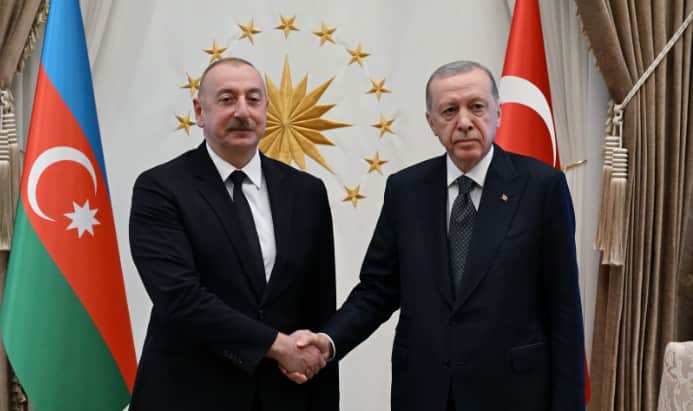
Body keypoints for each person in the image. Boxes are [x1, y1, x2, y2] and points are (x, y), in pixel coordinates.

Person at [295, 61, 585, 411]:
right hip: (424, 391)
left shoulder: (542, 187)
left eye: (476, 107)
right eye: (449, 111)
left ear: (498, 113)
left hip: (513, 393)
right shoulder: (406, 190)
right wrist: (328, 341)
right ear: (431, 122)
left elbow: (564, 309)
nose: (464, 122)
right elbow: (378, 290)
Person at [128, 57, 338, 411]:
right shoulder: (160, 188)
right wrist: (278, 346)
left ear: (266, 110)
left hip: (284, 396)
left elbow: (318, 304)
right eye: (227, 99)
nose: (243, 112)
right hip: (189, 395)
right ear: (199, 112)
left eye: (253, 99)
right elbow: (179, 298)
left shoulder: (306, 191)